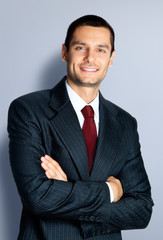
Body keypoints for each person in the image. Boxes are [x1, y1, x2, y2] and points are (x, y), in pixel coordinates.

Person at [8, 15, 153, 240]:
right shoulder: (28, 110)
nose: (90, 58)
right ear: (65, 52)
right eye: (80, 47)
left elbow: (141, 211)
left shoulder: (124, 123)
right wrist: (110, 191)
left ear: (111, 58)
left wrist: (66, 189)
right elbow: (38, 197)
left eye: (101, 50)